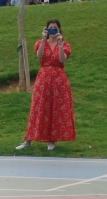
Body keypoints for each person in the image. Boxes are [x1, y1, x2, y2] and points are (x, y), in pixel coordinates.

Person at [17, 19, 75, 152]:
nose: (53, 30)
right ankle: (28, 140)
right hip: (43, 79)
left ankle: (51, 140)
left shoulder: (65, 45)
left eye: (55, 28)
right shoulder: (40, 43)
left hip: (59, 80)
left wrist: (59, 44)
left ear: (59, 30)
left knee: (55, 109)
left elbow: (62, 59)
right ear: (46, 29)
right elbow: (40, 55)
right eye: (50, 28)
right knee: (38, 108)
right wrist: (44, 40)